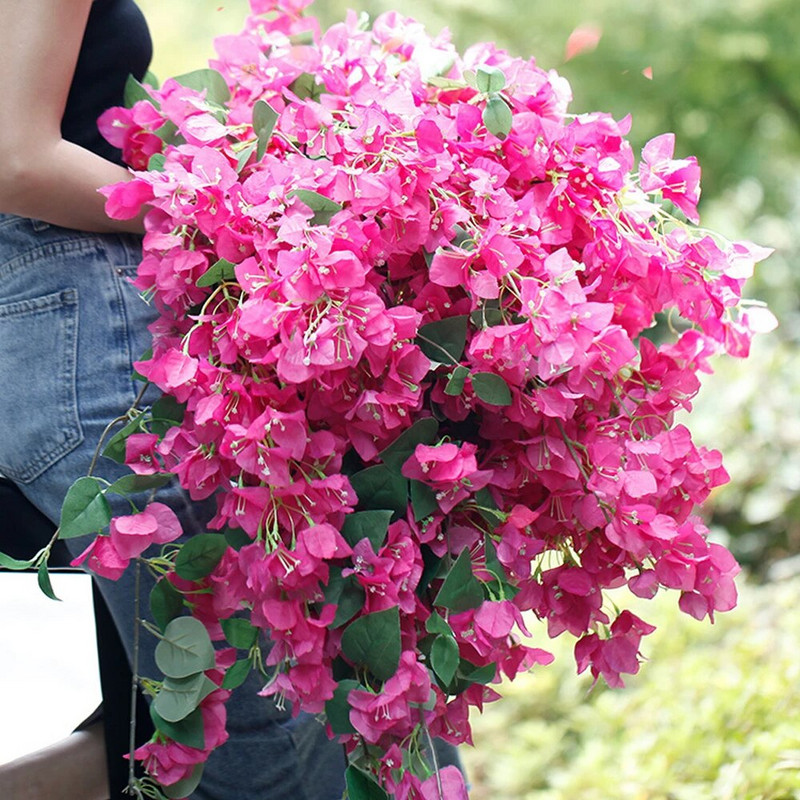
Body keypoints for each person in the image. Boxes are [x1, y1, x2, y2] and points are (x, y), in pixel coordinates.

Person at [0, 1, 349, 798]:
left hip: (48, 344)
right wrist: (234, 215)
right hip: (86, 334)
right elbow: (18, 159)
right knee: (276, 729)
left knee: (179, 729)